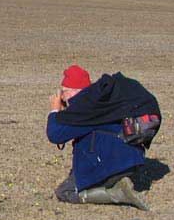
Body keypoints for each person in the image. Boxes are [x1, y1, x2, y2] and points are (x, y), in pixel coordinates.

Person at [47, 64, 150, 210]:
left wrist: (54, 111)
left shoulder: (84, 109)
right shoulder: (103, 100)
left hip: (110, 163)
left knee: (64, 192)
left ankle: (117, 193)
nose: (61, 97)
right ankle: (118, 181)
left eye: (63, 92)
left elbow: (55, 135)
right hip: (132, 161)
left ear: (73, 92)